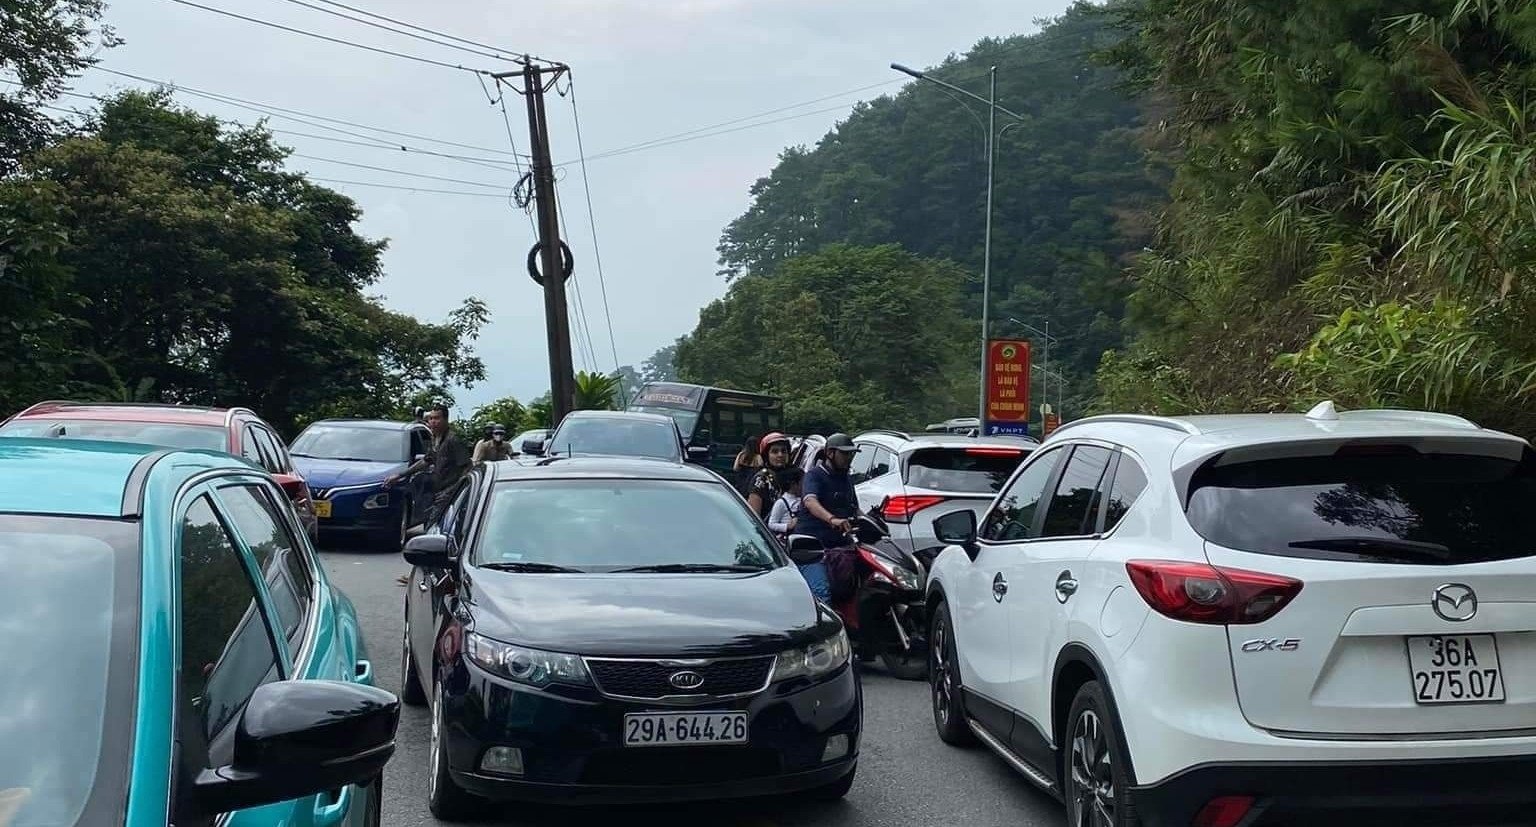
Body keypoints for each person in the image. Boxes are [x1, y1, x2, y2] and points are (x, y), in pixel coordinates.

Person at [386, 402, 471, 584]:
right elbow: (427, 461)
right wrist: (401, 475)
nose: (433, 422)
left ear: (446, 419)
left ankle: (425, 574)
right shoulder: (436, 439)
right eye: (431, 418)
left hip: (450, 493)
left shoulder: (453, 440)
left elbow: (467, 467)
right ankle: (428, 573)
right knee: (434, 532)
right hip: (437, 491)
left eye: (437, 418)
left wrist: (456, 491)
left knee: (431, 532)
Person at [800, 433, 863, 602]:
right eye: (845, 454)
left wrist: (875, 521)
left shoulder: (846, 479)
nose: (849, 458)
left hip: (841, 547)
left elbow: (855, 509)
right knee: (822, 594)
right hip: (814, 550)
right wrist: (832, 519)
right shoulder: (814, 476)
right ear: (830, 453)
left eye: (851, 454)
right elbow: (810, 502)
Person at [746, 432, 793, 519]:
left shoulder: (795, 475)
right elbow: (753, 517)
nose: (780, 455)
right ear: (766, 455)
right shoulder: (761, 480)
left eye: (783, 451)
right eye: (775, 452)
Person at [767, 466, 804, 538]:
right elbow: (771, 524)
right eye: (802, 482)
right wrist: (787, 526)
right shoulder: (781, 503)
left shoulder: (803, 499)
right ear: (793, 484)